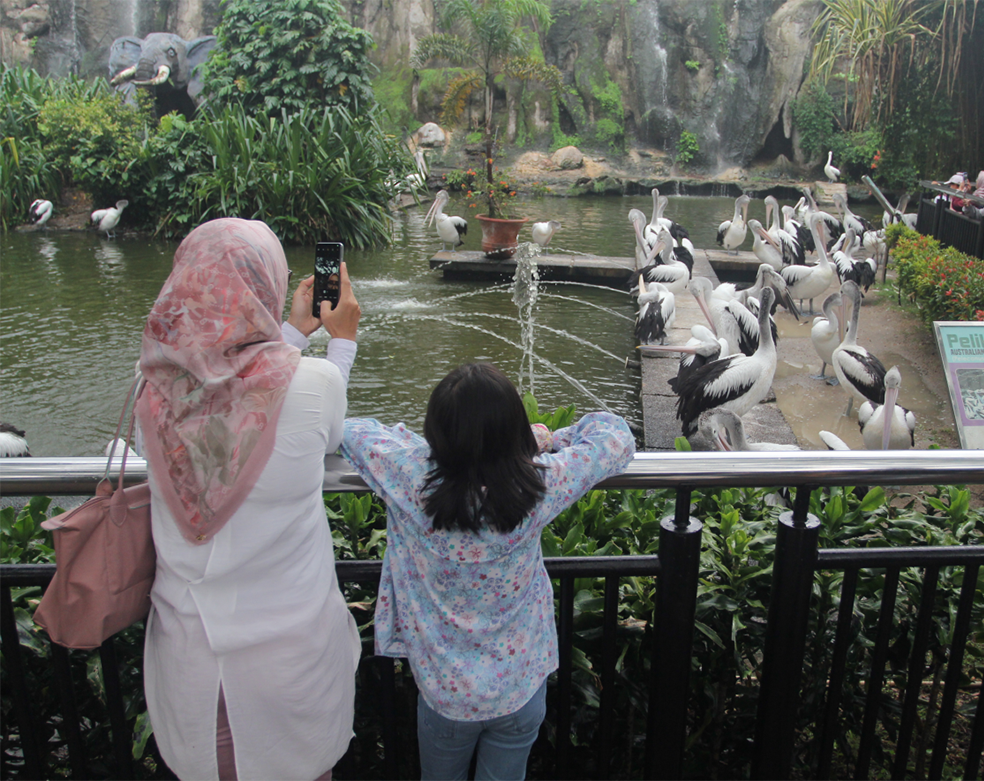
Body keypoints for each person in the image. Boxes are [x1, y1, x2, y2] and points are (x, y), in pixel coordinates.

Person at [137, 218, 362, 781]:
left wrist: (291, 332)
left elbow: (221, 383)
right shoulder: (315, 383)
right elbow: (319, 425)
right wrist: (341, 341)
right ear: (265, 285)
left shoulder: (150, 390)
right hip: (291, 661)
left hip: (185, 657)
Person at [341, 363, 636, 781]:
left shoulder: (406, 476)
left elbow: (348, 428)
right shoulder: (538, 486)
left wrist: (416, 444)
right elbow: (615, 436)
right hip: (519, 689)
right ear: (513, 430)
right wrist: (546, 439)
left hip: (444, 695)